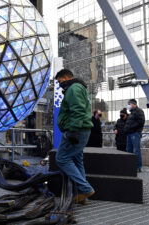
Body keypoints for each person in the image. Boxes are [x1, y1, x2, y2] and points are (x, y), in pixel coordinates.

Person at [55, 69, 95, 204]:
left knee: (61, 158)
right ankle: (81, 194)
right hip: (81, 129)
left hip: (77, 129)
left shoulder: (73, 88)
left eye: (59, 81)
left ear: (65, 77)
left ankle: (85, 188)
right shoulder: (77, 87)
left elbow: (77, 109)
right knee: (77, 160)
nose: (59, 84)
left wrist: (73, 130)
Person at [124, 99, 145, 172]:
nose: (128, 105)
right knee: (129, 150)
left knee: (136, 150)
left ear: (133, 104)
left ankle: (138, 166)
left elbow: (141, 122)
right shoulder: (131, 113)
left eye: (129, 104)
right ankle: (130, 166)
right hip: (129, 133)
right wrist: (126, 130)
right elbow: (129, 123)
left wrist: (131, 128)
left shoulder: (139, 111)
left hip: (135, 133)